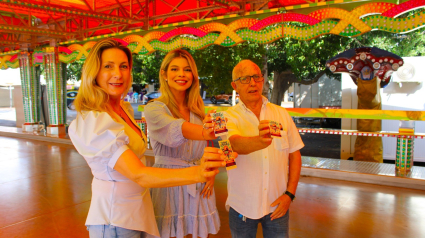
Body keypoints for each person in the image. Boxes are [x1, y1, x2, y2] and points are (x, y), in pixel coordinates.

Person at [68, 39, 228, 238]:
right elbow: (141, 171)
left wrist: (226, 148)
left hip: (141, 208)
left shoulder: (122, 110)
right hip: (119, 214)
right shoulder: (101, 120)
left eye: (123, 66)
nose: (117, 74)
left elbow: (223, 140)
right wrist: (200, 169)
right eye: (108, 66)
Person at [223, 60, 304, 238]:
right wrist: (261, 141)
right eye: (245, 79)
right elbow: (233, 144)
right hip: (242, 207)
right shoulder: (227, 117)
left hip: (277, 205)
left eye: (256, 77)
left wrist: (289, 195)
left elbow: (295, 154)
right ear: (234, 85)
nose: (252, 83)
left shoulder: (281, 114)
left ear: (262, 80)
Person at [144, 49, 220, 238]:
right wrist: (204, 132)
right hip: (167, 182)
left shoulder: (198, 110)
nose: (181, 74)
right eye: (175, 69)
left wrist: (210, 172)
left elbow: (208, 146)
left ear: (193, 76)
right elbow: (174, 130)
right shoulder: (154, 109)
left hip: (198, 184)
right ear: (164, 74)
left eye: (187, 70)